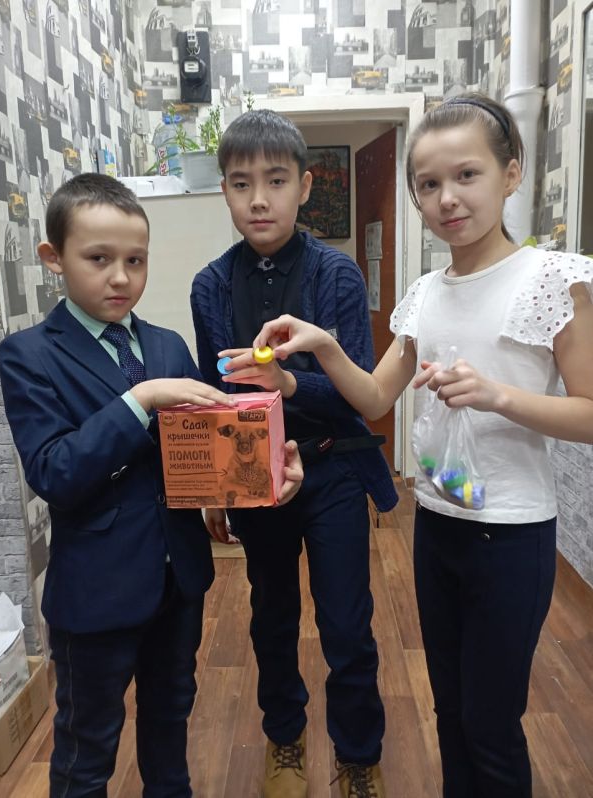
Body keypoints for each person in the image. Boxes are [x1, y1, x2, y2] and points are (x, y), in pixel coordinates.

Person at [253, 93, 593, 798]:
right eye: (429, 184)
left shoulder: (554, 280)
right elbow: (376, 398)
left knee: (491, 725)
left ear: (511, 172)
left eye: (467, 175)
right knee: (450, 712)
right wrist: (323, 347)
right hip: (437, 523)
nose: (447, 199)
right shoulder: (424, 293)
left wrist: (499, 395)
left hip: (513, 533)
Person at [0, 173, 303, 798]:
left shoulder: (165, 346)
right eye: (98, 259)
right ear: (54, 258)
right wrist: (140, 401)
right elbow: (54, 471)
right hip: (97, 593)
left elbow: (201, 447)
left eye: (135, 261)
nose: (120, 278)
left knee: (170, 723)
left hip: (178, 579)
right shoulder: (28, 354)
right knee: (87, 749)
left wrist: (266, 474)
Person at [191, 109, 397, 798]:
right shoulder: (210, 286)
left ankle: (358, 756)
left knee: (347, 623)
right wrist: (216, 486)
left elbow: (358, 392)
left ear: (305, 187)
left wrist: (287, 384)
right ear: (224, 190)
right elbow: (216, 394)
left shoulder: (338, 276)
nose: (259, 199)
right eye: (241, 183)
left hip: (332, 469)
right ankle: (285, 741)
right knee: (271, 616)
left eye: (276, 181)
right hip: (257, 476)